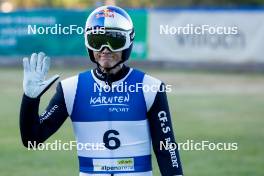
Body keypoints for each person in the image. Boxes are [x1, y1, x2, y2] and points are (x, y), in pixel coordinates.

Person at [20, 5, 183, 176]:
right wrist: (30, 99)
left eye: (114, 40)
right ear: (88, 44)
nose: (105, 49)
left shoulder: (151, 87)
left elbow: (166, 148)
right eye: (97, 41)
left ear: (129, 42)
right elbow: (32, 139)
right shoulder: (70, 89)